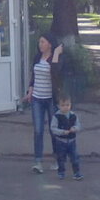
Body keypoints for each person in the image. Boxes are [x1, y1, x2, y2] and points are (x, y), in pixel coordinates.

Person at [22, 34, 63, 174]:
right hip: (37, 99)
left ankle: (57, 159)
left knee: (53, 130)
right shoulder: (37, 58)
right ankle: (38, 162)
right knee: (38, 130)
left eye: (43, 42)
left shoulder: (55, 58)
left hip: (51, 99)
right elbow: (33, 77)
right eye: (39, 42)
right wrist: (30, 91)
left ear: (49, 44)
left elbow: (56, 74)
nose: (40, 44)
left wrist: (56, 54)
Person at [50, 94, 83, 180]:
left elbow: (78, 125)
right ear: (58, 106)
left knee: (75, 158)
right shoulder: (56, 116)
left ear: (70, 105)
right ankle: (61, 172)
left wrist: (74, 128)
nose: (65, 107)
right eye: (63, 105)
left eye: (67, 105)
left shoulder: (73, 115)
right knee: (61, 158)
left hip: (72, 141)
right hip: (60, 141)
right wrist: (62, 132)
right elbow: (53, 128)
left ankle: (77, 173)